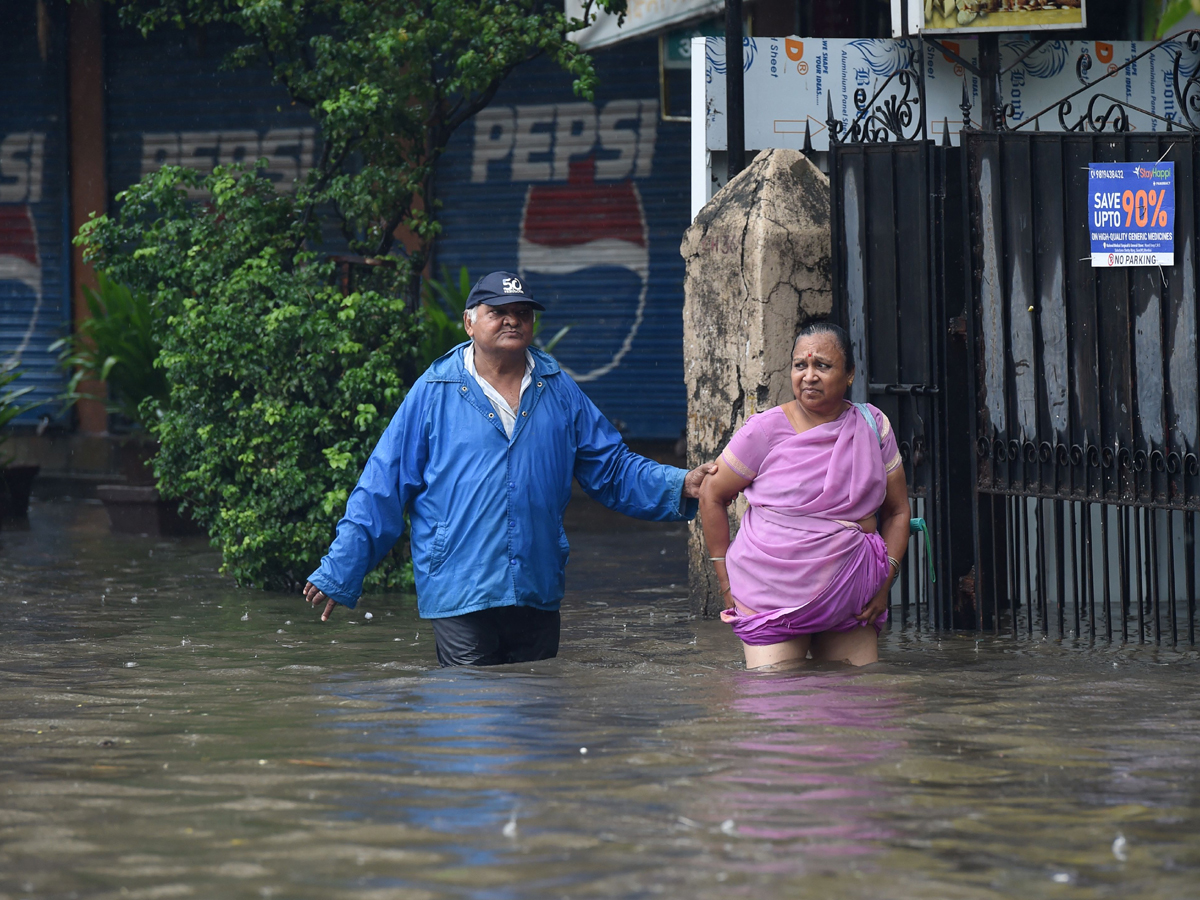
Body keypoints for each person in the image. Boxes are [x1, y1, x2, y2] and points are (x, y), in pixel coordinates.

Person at [302, 271, 716, 667]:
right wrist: (341, 568)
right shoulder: (434, 391)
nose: (512, 320)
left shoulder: (556, 387)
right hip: (460, 586)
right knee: (472, 713)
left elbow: (612, 468)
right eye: (497, 311)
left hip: (536, 584)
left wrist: (680, 483)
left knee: (534, 711)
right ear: (469, 322)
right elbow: (383, 487)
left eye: (522, 312)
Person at [698, 322, 910, 668]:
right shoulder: (764, 430)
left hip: (851, 598)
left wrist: (885, 584)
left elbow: (898, 511)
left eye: (822, 366)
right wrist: (725, 585)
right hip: (771, 598)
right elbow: (711, 493)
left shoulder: (872, 426)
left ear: (850, 374)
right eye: (801, 365)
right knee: (778, 702)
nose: (809, 376)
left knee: (857, 702)